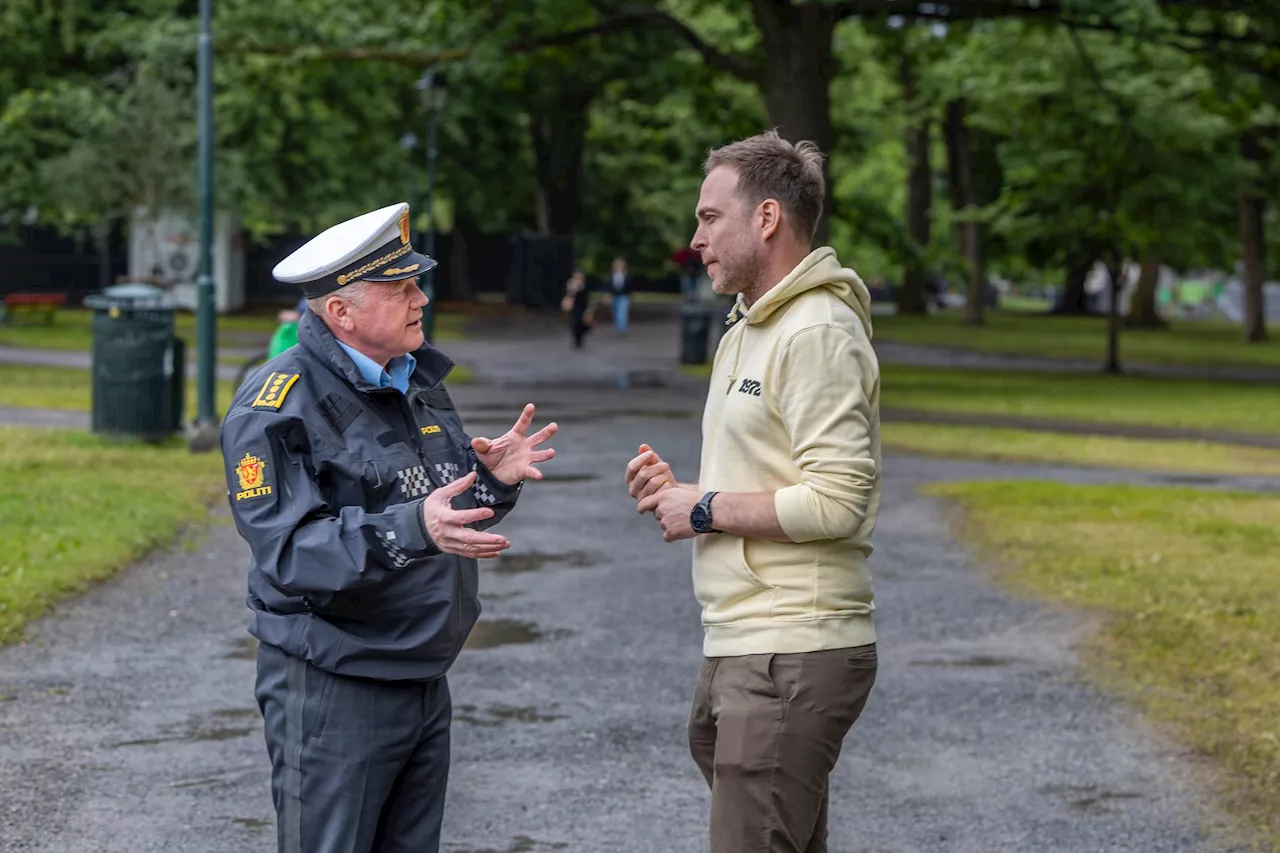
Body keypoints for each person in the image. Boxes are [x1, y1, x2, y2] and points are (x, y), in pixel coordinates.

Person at [220, 201, 558, 853]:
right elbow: (290, 552)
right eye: (400, 287)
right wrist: (412, 528)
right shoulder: (275, 407)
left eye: (415, 282)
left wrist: (492, 482)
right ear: (341, 312)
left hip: (421, 678)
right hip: (334, 685)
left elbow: (435, 507)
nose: (420, 298)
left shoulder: (418, 382)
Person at [624, 131, 881, 853]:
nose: (695, 238)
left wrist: (702, 507)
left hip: (792, 646)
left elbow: (838, 502)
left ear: (765, 218)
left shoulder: (818, 331)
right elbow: (774, 472)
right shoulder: (748, 326)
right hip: (746, 641)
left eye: (709, 218)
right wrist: (685, 489)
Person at [560, 268, 594, 349]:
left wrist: (589, 309)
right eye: (576, 277)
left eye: (580, 277)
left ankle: (580, 338)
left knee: (585, 325)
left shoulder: (584, 286)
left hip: (583, 308)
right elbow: (567, 296)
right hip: (574, 308)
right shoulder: (570, 286)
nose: (578, 279)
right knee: (574, 324)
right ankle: (577, 340)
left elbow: (588, 299)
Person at [608, 255, 632, 334]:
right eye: (617, 264)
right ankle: (619, 326)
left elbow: (630, 287)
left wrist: (629, 296)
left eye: (620, 264)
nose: (618, 266)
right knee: (616, 313)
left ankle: (622, 329)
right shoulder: (612, 275)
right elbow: (609, 286)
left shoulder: (626, 275)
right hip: (614, 296)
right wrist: (608, 295)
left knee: (622, 312)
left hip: (623, 296)